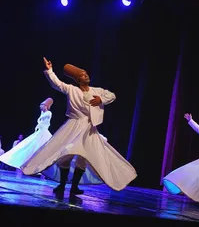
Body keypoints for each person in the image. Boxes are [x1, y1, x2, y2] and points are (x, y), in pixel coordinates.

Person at [21, 57, 137, 200]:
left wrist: (102, 100)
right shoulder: (72, 90)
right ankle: (62, 184)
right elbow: (57, 84)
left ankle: (74, 186)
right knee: (66, 154)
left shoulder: (97, 91)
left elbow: (112, 95)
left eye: (86, 74)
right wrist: (50, 70)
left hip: (89, 129)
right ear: (78, 79)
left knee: (84, 157)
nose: (86, 76)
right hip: (73, 126)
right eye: (82, 75)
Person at [0, 98, 54, 169]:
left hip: (43, 132)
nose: (40, 107)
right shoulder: (43, 113)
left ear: (45, 105)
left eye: (41, 105)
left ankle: (40, 167)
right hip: (39, 132)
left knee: (41, 149)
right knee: (28, 148)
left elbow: (45, 121)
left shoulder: (48, 113)